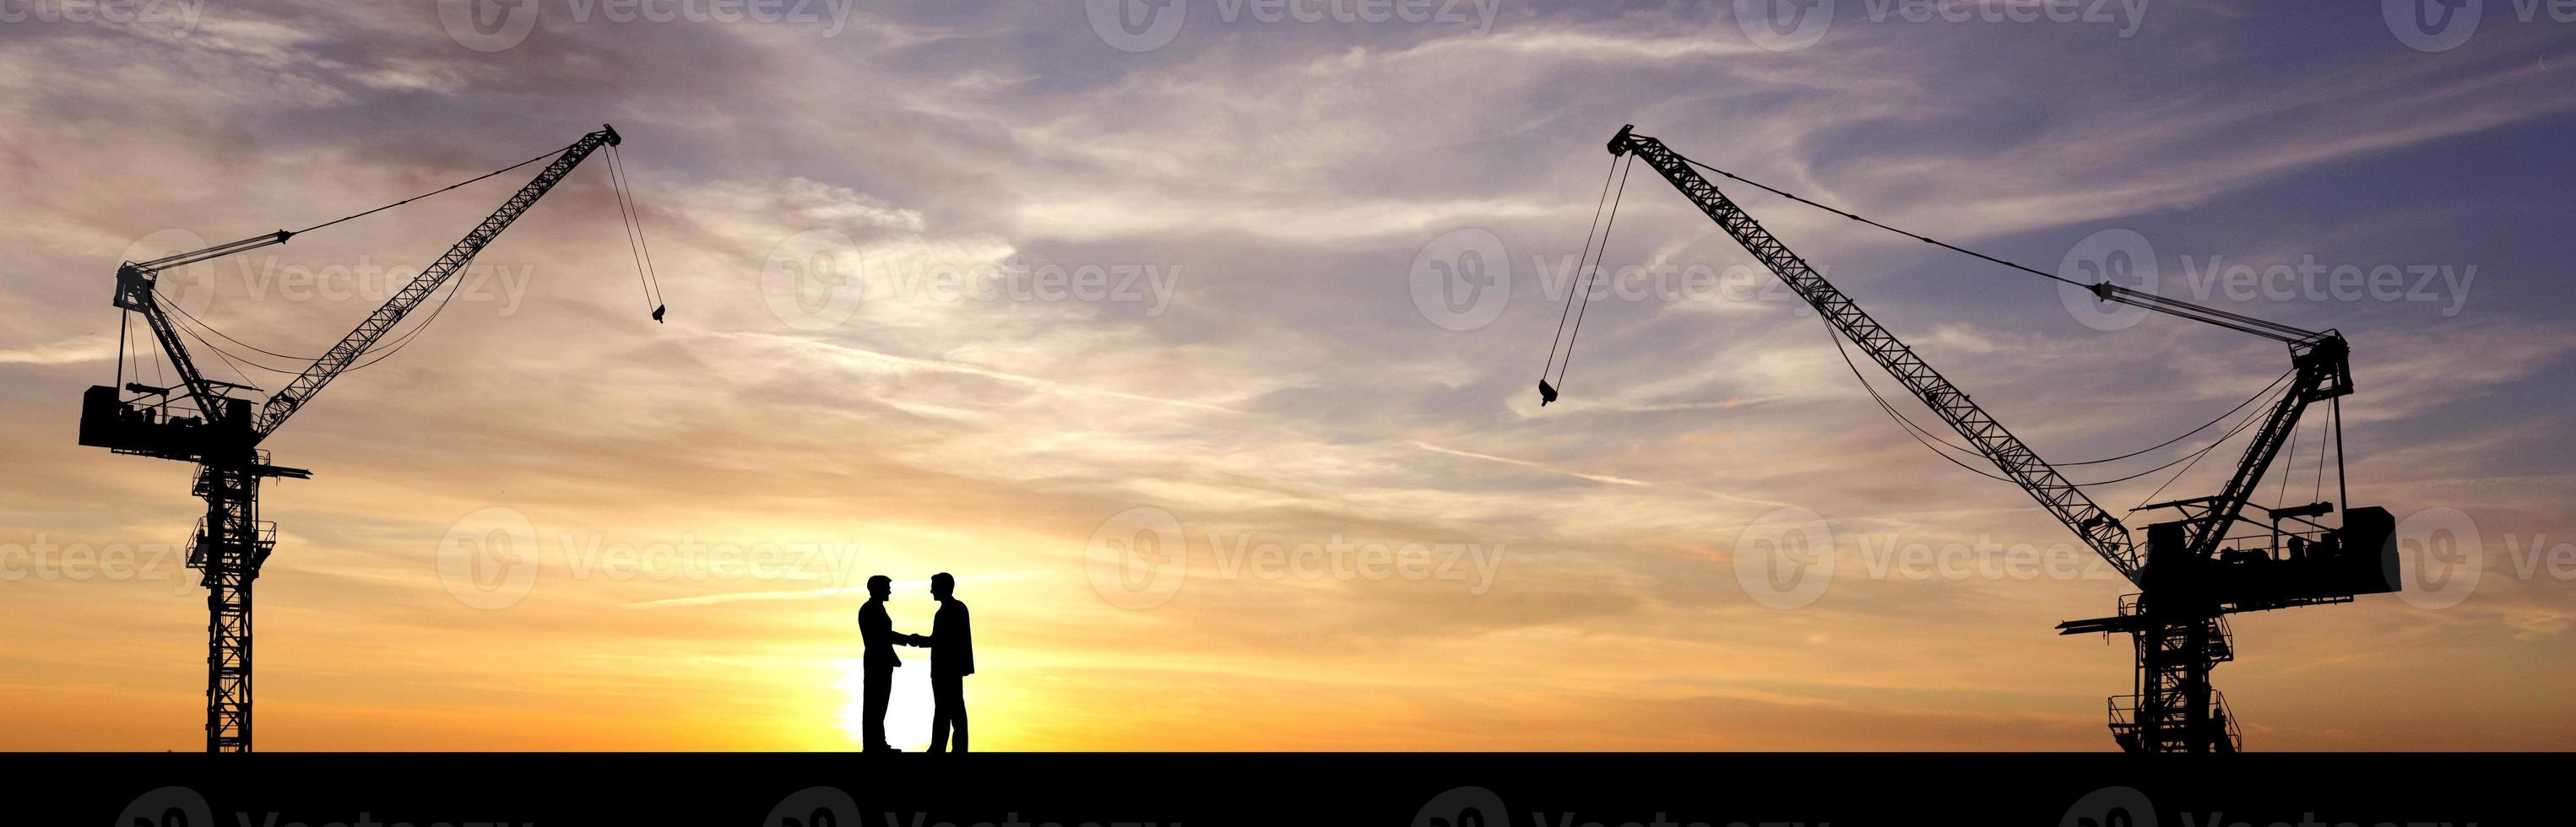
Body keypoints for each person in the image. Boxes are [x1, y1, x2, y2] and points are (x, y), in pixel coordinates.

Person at [898, 572, 973, 753]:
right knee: (946, 709)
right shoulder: (947, 610)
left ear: (943, 587)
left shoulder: (953, 610)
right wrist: (921, 640)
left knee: (952, 710)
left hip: (948, 669)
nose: (931, 590)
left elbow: (944, 641)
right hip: (943, 669)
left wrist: (919, 641)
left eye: (934, 586)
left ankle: (947, 748)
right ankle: (941, 746)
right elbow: (940, 640)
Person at [854, 575, 914, 753]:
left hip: (881, 661)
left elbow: (884, 634)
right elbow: (882, 635)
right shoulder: (871, 609)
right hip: (877, 661)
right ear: (877, 589)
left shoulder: (875, 608)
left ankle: (878, 742)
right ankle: (873, 745)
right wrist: (908, 639)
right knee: (875, 704)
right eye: (887, 587)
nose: (889, 591)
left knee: (879, 704)